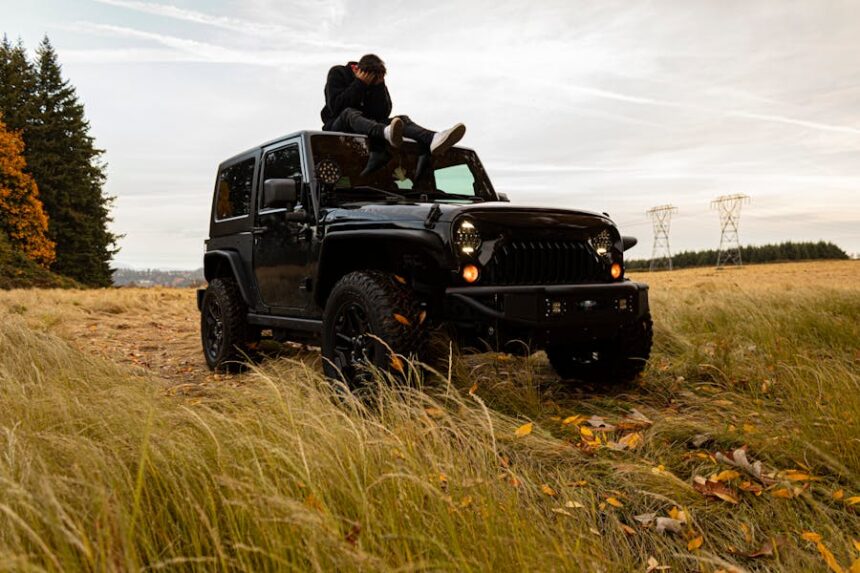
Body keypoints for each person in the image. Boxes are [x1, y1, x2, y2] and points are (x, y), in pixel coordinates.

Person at [320, 54, 466, 176]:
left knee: (400, 120)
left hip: (368, 127)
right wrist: (360, 83)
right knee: (348, 113)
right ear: (357, 70)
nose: (372, 82)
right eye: (370, 79)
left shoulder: (376, 80)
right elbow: (336, 107)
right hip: (338, 127)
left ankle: (433, 138)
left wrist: (378, 86)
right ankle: (385, 132)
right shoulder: (338, 73)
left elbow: (383, 112)